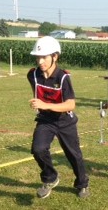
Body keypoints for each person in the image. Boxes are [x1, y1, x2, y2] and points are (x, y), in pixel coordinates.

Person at [26, 36, 89, 198]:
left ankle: (82, 184)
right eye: (38, 57)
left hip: (65, 121)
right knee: (38, 149)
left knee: (73, 154)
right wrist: (39, 104)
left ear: (55, 56)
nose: (40, 62)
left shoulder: (63, 78)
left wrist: (45, 104)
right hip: (46, 120)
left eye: (44, 57)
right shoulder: (32, 75)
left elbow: (70, 104)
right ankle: (50, 178)